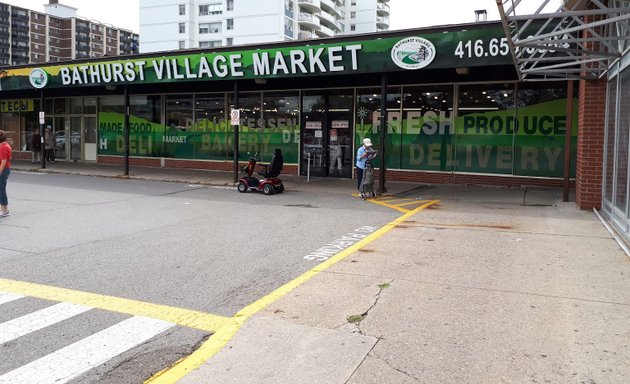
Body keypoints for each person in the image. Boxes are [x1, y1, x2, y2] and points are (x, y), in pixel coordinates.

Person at [0, 130, 11, 217]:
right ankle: (3, 208)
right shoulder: (5, 145)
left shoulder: (3, 147)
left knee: (1, 190)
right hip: (5, 169)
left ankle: (4, 210)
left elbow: (4, 161)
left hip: (3, 170)